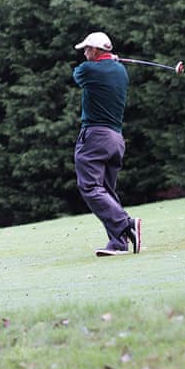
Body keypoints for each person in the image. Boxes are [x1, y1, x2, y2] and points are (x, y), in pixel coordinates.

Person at [72, 31, 141, 257]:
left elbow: (77, 75)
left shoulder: (88, 69)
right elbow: (106, 69)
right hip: (116, 139)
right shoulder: (121, 71)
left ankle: (126, 224)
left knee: (90, 187)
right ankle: (119, 243)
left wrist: (102, 62)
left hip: (95, 136)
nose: (84, 53)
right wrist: (111, 61)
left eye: (86, 49)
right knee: (106, 190)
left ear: (95, 50)